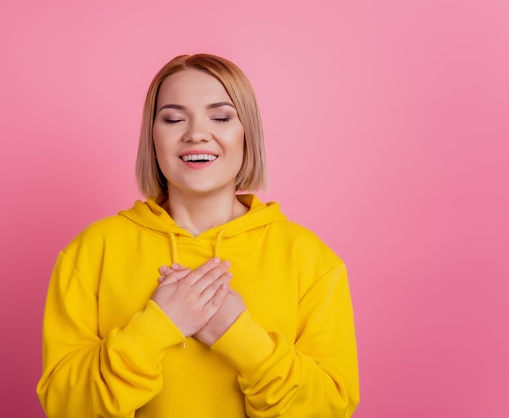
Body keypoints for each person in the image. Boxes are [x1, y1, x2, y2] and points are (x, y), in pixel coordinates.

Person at [36, 53, 359, 417]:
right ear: (152, 138)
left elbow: (330, 409)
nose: (195, 133)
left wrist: (240, 336)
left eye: (220, 117)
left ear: (247, 133)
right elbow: (66, 407)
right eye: (173, 119)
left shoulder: (311, 260)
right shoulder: (90, 253)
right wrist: (160, 325)